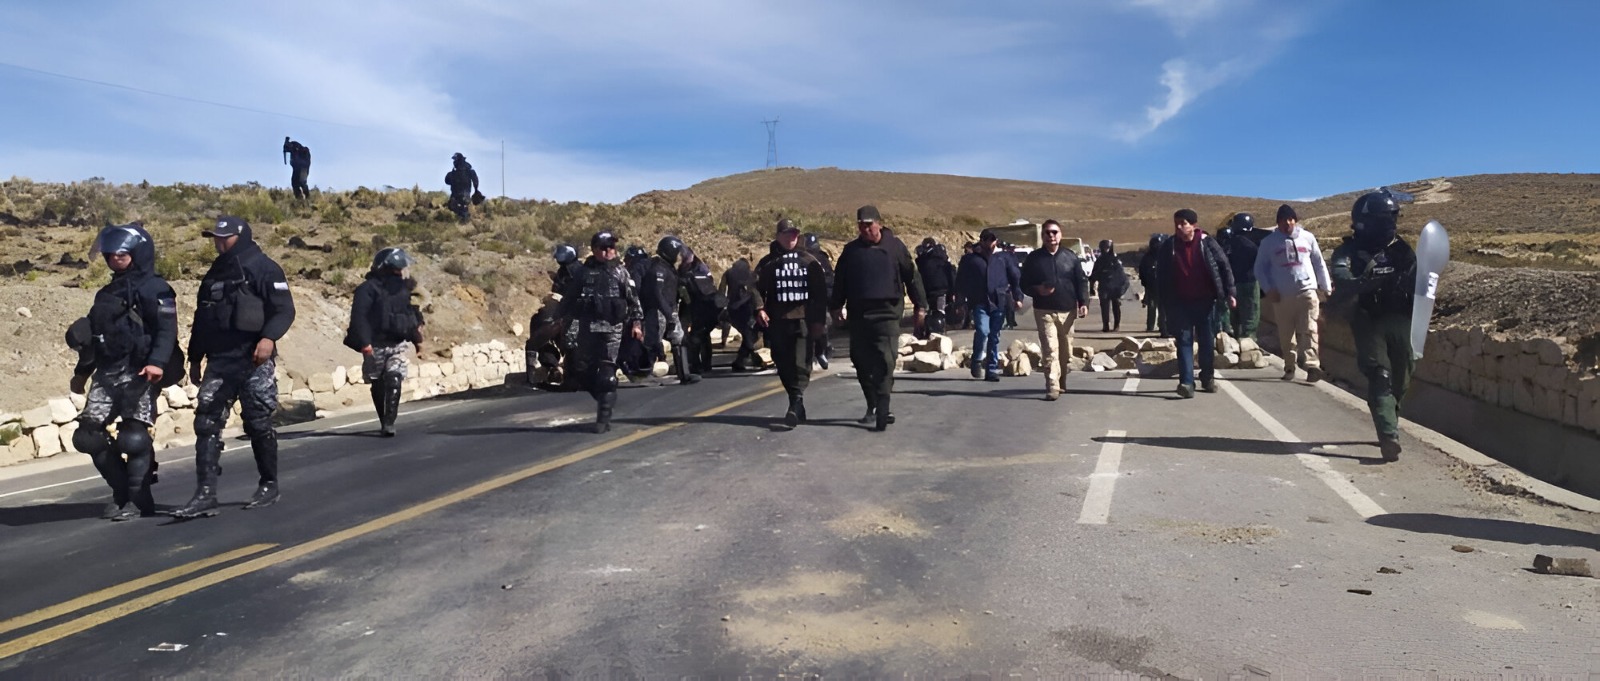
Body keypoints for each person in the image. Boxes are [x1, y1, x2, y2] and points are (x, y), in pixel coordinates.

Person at [172, 216, 296, 518]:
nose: (218, 242)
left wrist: (268, 338)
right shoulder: (214, 273)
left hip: (254, 359)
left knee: (257, 422)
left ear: (239, 237)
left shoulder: (265, 268)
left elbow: (284, 309)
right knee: (205, 423)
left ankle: (269, 484)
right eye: (215, 237)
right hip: (220, 361)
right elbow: (203, 318)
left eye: (224, 237)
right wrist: (195, 356)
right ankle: (205, 494)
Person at [67, 223, 179, 521]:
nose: (114, 258)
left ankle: (139, 497)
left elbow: (167, 331)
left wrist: (156, 362)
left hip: (140, 371)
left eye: (122, 253)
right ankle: (121, 491)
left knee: (133, 438)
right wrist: (81, 372)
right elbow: (94, 337)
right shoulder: (105, 294)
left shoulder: (157, 288)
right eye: (111, 254)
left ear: (137, 252)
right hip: (107, 371)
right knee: (87, 436)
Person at [1330, 192, 1416, 462]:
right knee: (1380, 374)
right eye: (1384, 219)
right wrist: (1368, 279)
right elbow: (1342, 277)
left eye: (1392, 218)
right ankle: (1388, 435)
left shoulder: (1401, 249)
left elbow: (1418, 278)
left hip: (1401, 318)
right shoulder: (1348, 252)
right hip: (1367, 318)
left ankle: (1387, 415)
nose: (1390, 223)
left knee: (1403, 376)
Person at [830, 205, 926, 431]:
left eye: (869, 225)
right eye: (861, 225)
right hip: (859, 314)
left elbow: (912, 277)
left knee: (885, 359)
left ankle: (884, 405)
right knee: (860, 359)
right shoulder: (850, 251)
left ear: (879, 223)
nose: (865, 229)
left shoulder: (895, 247)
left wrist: (921, 307)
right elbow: (840, 282)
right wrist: (835, 307)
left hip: (888, 313)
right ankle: (872, 403)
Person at [560, 231, 644, 433]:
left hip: (612, 329)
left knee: (607, 375)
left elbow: (634, 301)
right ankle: (606, 396)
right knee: (581, 372)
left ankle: (603, 418)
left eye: (612, 248)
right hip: (587, 328)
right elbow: (568, 302)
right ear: (595, 249)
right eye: (604, 248)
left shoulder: (621, 272)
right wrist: (562, 324)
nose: (609, 252)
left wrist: (636, 324)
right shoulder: (583, 272)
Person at [754, 219, 830, 428]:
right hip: (778, 321)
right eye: (787, 234)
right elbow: (756, 287)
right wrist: (760, 308)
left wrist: (819, 322)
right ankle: (795, 401)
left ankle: (796, 402)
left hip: (803, 320)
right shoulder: (768, 263)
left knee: (800, 362)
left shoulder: (809, 261)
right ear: (778, 237)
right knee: (782, 361)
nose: (791, 238)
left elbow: (820, 295)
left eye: (795, 234)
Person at [1154, 209, 1235, 398]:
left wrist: (1230, 292)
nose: (1179, 227)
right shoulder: (1169, 246)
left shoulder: (1207, 243)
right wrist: (1163, 300)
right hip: (1179, 302)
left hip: (1205, 301)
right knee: (1183, 341)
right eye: (1177, 224)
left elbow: (1224, 266)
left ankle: (1207, 377)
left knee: (1206, 341)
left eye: (1183, 223)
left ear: (1194, 225)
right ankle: (1186, 382)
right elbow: (1162, 275)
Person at [345, 248, 425, 437]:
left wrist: (418, 342)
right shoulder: (367, 289)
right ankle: (383, 420)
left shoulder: (403, 290)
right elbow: (359, 318)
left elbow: (410, 316)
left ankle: (390, 422)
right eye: (398, 269)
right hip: (374, 345)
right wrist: (365, 344)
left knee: (394, 376)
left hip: (397, 343)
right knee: (378, 383)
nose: (402, 272)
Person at [1255, 204, 1331, 383]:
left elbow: (1318, 262)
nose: (1287, 223)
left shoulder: (1308, 238)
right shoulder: (1269, 243)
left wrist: (1325, 286)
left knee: (1309, 328)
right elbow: (1259, 269)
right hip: (1281, 295)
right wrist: (1268, 289)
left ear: (1295, 221)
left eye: (1290, 219)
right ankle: (1289, 365)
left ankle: (1312, 365)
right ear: (1278, 223)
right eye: (1283, 220)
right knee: (1286, 333)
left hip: (1306, 291)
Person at [1020, 220, 1091, 400]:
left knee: (1065, 352)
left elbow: (1081, 281)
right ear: (1042, 236)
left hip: (1067, 310)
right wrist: (1037, 289)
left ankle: (1062, 379)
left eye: (1054, 232)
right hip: (1044, 310)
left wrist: (1084, 302)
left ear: (1061, 234)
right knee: (1050, 349)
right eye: (1047, 233)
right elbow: (1023, 284)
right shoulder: (1034, 259)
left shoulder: (1071, 257)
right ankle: (1052, 385)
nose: (1051, 236)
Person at [955, 228, 1023, 382]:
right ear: (981, 241)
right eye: (987, 239)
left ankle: (991, 369)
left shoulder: (1003, 258)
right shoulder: (971, 259)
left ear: (996, 241)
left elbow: (1014, 278)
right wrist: (959, 302)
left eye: (993, 240)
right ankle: (977, 359)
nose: (990, 243)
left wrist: (1018, 296)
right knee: (982, 330)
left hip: (999, 301)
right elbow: (960, 281)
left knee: (994, 335)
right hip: (979, 301)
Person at [645, 236, 700, 384]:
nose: (679, 256)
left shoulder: (668, 269)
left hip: (669, 310)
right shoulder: (658, 270)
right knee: (653, 342)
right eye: (677, 252)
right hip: (658, 312)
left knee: (679, 339)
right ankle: (646, 373)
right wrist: (668, 314)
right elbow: (657, 294)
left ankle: (684, 374)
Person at [677, 245, 723, 375]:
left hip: (703, 305)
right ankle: (693, 363)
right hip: (687, 304)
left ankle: (704, 364)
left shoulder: (700, 268)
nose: (684, 258)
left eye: (686, 256)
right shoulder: (681, 269)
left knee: (701, 336)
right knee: (687, 336)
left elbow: (707, 287)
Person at [1216, 212, 1262, 340]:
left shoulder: (1228, 243)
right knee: (1251, 315)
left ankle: (1235, 341)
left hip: (1233, 283)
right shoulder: (1250, 245)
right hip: (1250, 282)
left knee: (1235, 316)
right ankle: (1249, 343)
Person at [720, 257, 761, 371]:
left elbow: (721, 291)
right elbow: (755, 293)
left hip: (733, 309)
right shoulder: (751, 275)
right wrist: (760, 307)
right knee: (750, 336)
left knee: (748, 335)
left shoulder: (728, 273)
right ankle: (746, 360)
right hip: (747, 309)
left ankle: (741, 361)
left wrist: (721, 307)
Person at [802, 233, 835, 369]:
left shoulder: (822, 260)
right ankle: (810, 356)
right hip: (804, 301)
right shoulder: (800, 260)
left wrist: (831, 300)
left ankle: (821, 351)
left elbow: (830, 281)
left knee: (822, 327)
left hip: (820, 301)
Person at [915, 238, 957, 337]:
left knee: (932, 312)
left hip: (929, 291)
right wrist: (953, 290)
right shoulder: (942, 258)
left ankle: (931, 331)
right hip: (940, 290)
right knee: (939, 312)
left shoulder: (923, 260)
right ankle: (939, 332)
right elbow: (951, 274)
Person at [1089, 239, 1130, 333]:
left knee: (1116, 305)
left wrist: (1122, 289)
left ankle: (1116, 325)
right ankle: (1105, 325)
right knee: (1104, 307)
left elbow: (1122, 276)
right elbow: (1094, 275)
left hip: (1115, 287)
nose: (1105, 250)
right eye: (1103, 248)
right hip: (1104, 286)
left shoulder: (1115, 260)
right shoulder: (1099, 261)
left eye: (1107, 247)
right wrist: (1091, 287)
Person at [1138, 233, 1167, 336]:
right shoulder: (1147, 257)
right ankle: (1150, 325)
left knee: (1163, 308)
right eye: (1154, 244)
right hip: (1151, 285)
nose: (1156, 247)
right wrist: (1145, 282)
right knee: (1151, 306)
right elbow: (1142, 270)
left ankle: (1162, 326)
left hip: (1163, 286)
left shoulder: (1165, 255)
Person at [445, 153, 481, 223]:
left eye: (455, 159)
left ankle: (465, 222)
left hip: (463, 193)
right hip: (457, 194)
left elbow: (475, 180)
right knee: (453, 206)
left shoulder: (466, 170)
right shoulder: (455, 171)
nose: (454, 161)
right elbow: (447, 180)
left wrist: (476, 190)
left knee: (462, 207)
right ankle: (461, 221)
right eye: (454, 159)